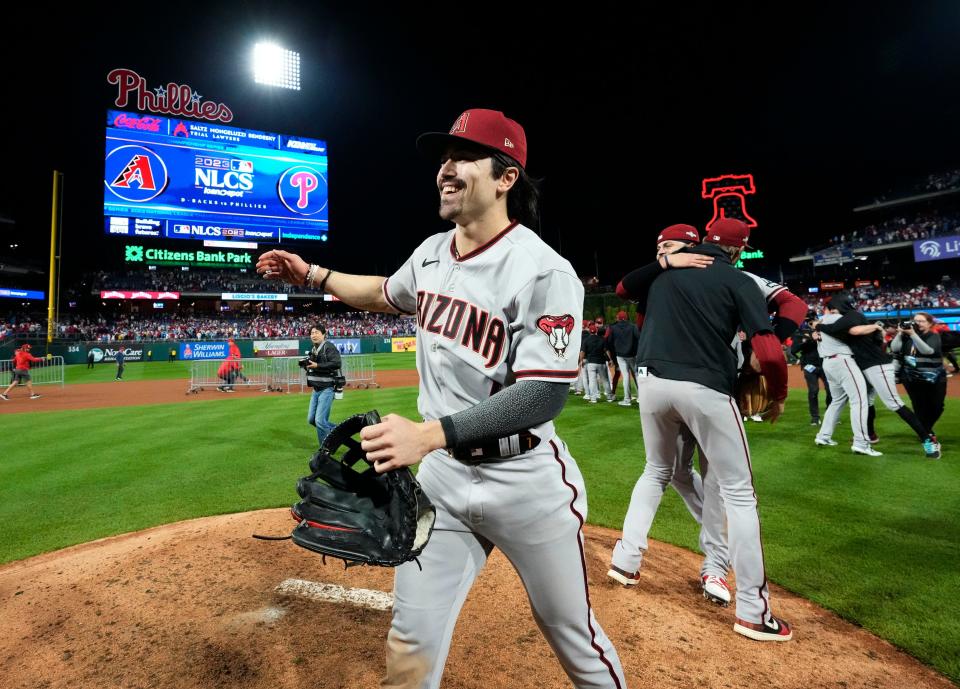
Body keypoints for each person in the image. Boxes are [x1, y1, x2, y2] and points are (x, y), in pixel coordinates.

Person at [256, 108, 627, 688]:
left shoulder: (544, 270)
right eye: (443, 159)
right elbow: (383, 293)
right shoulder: (431, 253)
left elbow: (543, 395)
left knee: (570, 634)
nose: (445, 170)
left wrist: (427, 435)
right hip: (444, 482)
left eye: (462, 157)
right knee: (411, 637)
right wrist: (314, 274)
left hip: (526, 479)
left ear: (506, 178)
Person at [609, 217, 794, 642]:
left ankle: (626, 559)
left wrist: (666, 264)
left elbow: (625, 290)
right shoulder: (737, 278)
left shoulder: (662, 278)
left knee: (656, 471)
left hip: (652, 384)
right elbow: (768, 350)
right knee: (739, 494)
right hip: (706, 387)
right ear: (738, 249)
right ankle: (753, 610)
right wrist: (778, 394)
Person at [814, 295, 940, 458]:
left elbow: (852, 330)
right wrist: (816, 330)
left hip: (877, 366)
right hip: (865, 367)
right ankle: (868, 436)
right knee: (866, 401)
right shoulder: (847, 318)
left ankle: (928, 440)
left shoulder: (852, 315)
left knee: (894, 403)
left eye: (832, 308)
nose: (831, 311)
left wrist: (818, 327)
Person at [812, 302, 882, 456]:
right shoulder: (835, 317)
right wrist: (875, 327)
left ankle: (823, 436)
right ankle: (861, 443)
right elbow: (855, 331)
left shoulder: (821, 321)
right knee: (860, 400)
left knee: (837, 400)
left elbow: (817, 329)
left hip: (828, 363)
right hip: (842, 361)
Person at [892, 312, 947, 440]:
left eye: (921, 321)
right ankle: (926, 433)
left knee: (937, 406)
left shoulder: (933, 335)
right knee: (919, 406)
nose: (917, 323)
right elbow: (895, 348)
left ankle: (925, 429)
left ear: (930, 323)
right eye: (915, 320)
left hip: (935, 377)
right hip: (911, 377)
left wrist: (913, 335)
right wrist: (900, 333)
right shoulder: (906, 336)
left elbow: (927, 351)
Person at [790, 315, 832, 425]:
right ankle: (815, 417)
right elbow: (793, 350)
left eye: (815, 320)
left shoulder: (823, 331)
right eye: (811, 321)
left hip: (825, 365)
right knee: (813, 391)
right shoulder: (799, 333)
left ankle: (830, 414)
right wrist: (809, 340)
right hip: (810, 366)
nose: (813, 323)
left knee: (830, 390)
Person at [304, 324, 342, 446]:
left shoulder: (328, 347)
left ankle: (325, 449)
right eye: (312, 333)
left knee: (320, 421)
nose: (313, 335)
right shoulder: (313, 349)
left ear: (324, 334)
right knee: (312, 420)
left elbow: (337, 363)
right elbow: (314, 367)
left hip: (327, 388)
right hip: (316, 389)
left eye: (316, 332)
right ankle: (342, 432)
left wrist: (318, 366)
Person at [607, 310, 639, 405]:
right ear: (626, 317)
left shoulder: (613, 328)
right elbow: (639, 338)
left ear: (618, 318)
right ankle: (641, 397)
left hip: (620, 355)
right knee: (637, 375)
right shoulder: (633, 326)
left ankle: (627, 399)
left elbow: (609, 342)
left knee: (625, 376)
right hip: (633, 355)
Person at [579, 323, 614, 403]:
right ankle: (609, 397)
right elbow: (607, 351)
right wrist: (610, 359)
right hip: (601, 362)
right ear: (596, 331)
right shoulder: (602, 339)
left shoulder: (586, 340)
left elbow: (582, 352)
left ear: (590, 332)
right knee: (605, 380)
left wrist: (581, 361)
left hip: (591, 363)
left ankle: (593, 399)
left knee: (592, 381)